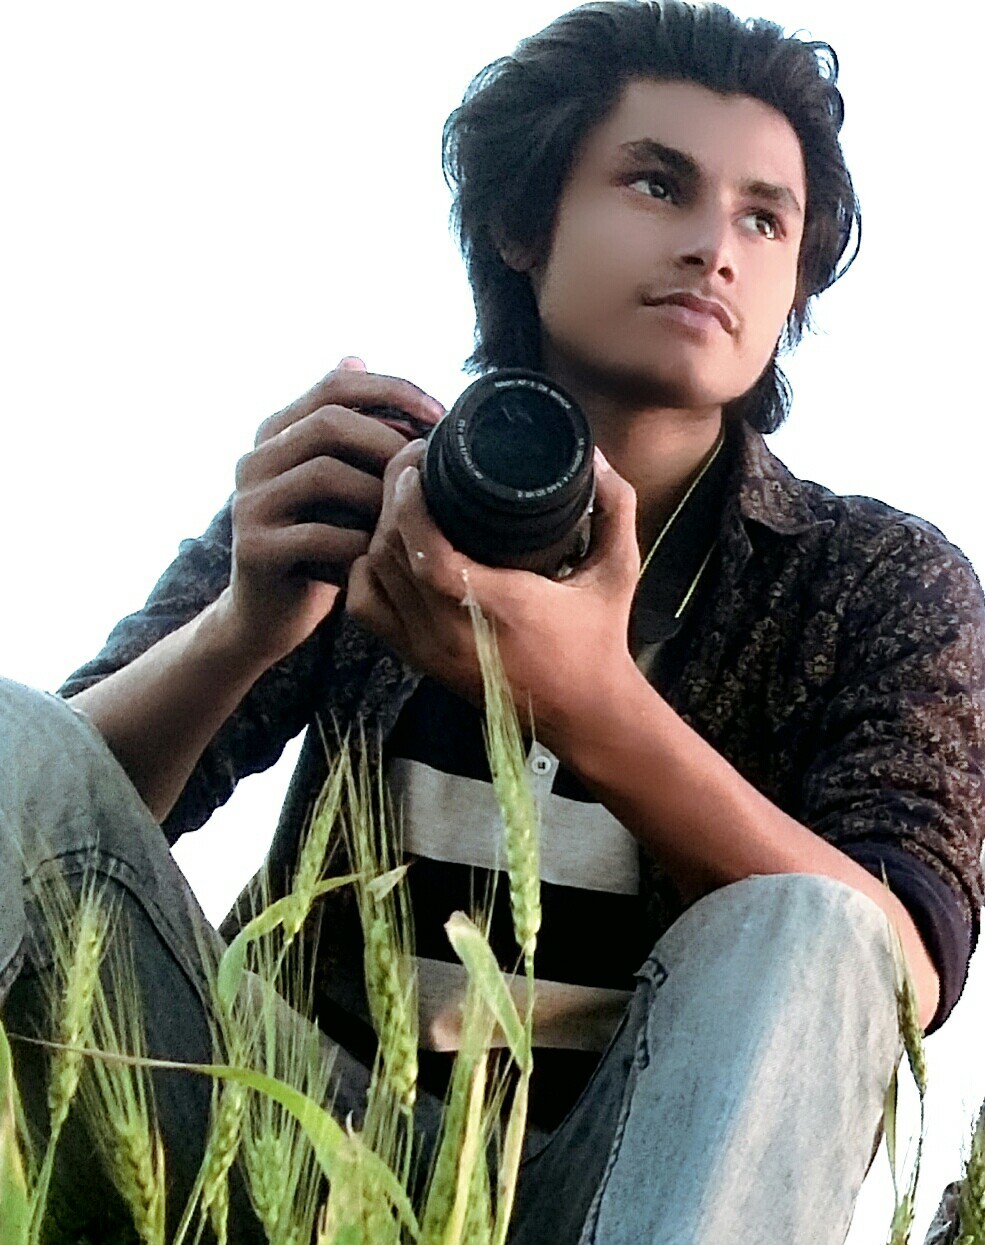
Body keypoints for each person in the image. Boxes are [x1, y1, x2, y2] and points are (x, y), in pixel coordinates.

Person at [3, 2, 983, 1241]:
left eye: (762, 218)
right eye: (656, 183)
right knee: (16, 733)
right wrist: (239, 629)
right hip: (273, 1128)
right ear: (525, 223)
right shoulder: (374, 481)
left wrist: (589, 705)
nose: (712, 249)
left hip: (639, 1178)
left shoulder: (871, 576)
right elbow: (48, 818)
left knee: (814, 916)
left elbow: (894, 969)